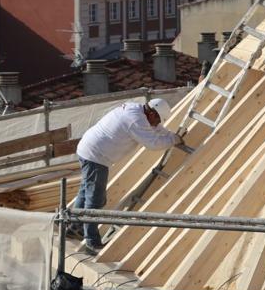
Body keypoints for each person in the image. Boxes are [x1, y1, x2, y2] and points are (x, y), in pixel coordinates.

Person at [71, 98, 185, 254]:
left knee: (85, 192)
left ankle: (72, 226)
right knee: (95, 200)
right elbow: (153, 143)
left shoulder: (138, 110)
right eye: (157, 120)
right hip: (95, 156)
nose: (157, 124)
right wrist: (174, 139)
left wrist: (170, 135)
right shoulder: (136, 121)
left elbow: (157, 129)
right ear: (152, 113)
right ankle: (92, 241)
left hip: (90, 149)